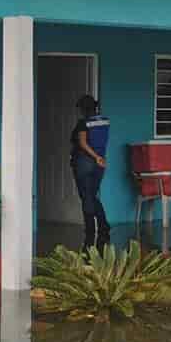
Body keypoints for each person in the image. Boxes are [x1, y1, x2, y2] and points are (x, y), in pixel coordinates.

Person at [70, 94, 111, 252]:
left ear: (83, 109)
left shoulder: (83, 123)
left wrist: (94, 156)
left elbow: (82, 143)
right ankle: (103, 225)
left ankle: (90, 232)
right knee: (92, 196)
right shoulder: (105, 121)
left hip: (84, 163)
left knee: (86, 197)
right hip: (100, 164)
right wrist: (99, 158)